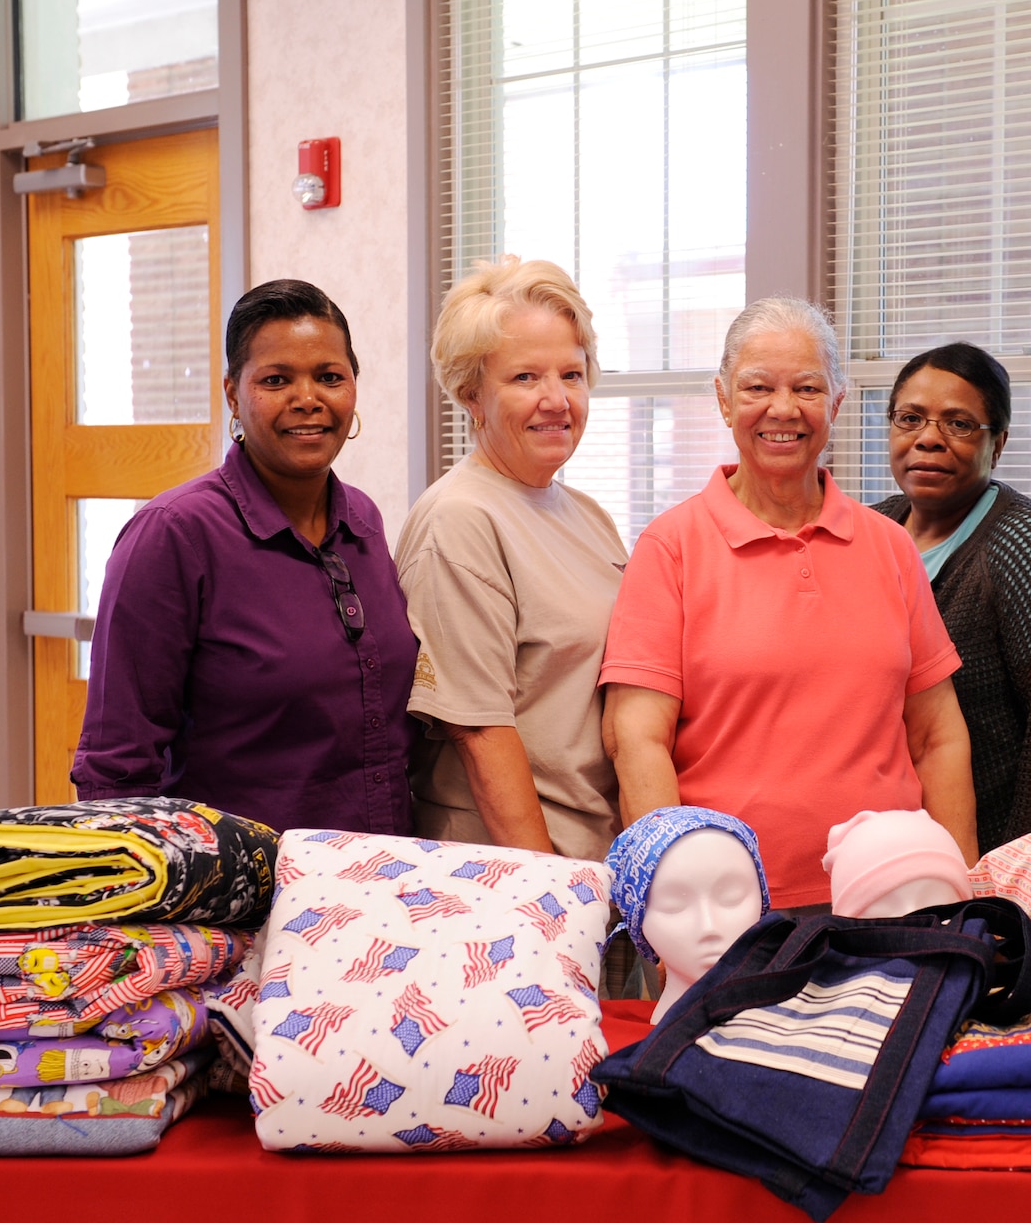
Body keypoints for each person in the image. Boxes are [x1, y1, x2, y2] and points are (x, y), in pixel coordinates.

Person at [599, 297, 976, 909]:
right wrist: (671, 904)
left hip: (893, 897)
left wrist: (961, 890)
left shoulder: (890, 546)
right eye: (757, 387)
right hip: (728, 911)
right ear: (723, 399)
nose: (783, 409)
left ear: (836, 403)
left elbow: (938, 737)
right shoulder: (671, 547)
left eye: (806, 387)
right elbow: (637, 741)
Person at [74, 278, 417, 833]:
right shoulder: (173, 536)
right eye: (276, 380)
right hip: (243, 895)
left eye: (329, 377)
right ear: (233, 394)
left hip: (376, 879)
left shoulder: (363, 521)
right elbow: (118, 768)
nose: (308, 399)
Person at [396, 256, 626, 859]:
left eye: (571, 375)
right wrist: (553, 889)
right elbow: (478, 730)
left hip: (596, 852)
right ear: (472, 394)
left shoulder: (586, 515)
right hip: (511, 868)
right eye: (525, 377)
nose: (556, 400)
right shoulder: (461, 520)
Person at [871, 342, 1031, 853]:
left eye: (958, 424)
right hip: (879, 852)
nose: (928, 439)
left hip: (988, 857)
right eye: (910, 418)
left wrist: (1012, 891)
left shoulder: (1030, 547)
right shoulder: (871, 530)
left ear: (997, 444)